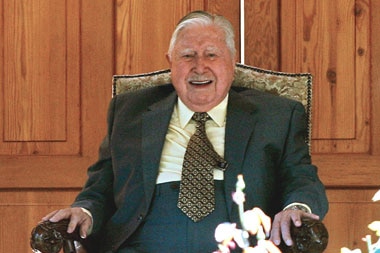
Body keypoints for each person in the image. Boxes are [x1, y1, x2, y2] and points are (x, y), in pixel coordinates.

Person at [42, 10, 328, 253]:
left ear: (231, 61)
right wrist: (84, 212)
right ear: (170, 62)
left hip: (241, 244)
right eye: (187, 55)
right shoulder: (130, 112)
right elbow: (100, 188)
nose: (199, 67)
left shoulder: (276, 115)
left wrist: (295, 208)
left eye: (211, 55)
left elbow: (301, 179)